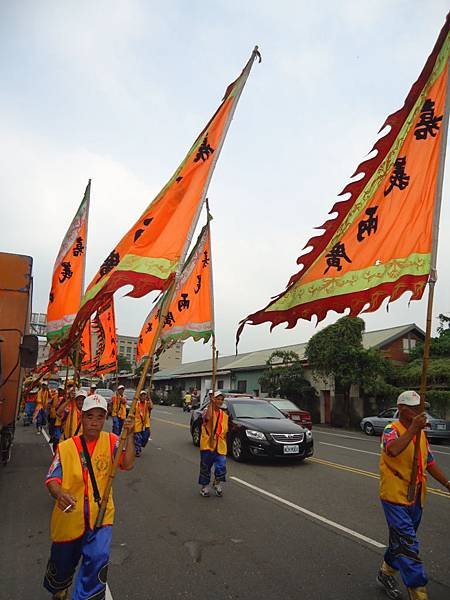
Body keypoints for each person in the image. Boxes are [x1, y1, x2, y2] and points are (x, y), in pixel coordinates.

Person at [43, 393, 135, 600]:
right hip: (70, 516)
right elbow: (52, 479)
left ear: (105, 419)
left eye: (100, 417)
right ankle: (61, 588)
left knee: (97, 560)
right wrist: (59, 493)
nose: (94, 422)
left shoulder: (112, 441)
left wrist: (129, 435)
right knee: (63, 562)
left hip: (101, 516)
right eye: (90, 416)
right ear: (82, 417)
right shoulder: (66, 448)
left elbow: (127, 463)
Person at [377, 390, 450, 600]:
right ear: (401, 409)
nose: (421, 413)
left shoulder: (421, 434)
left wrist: (447, 483)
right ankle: (418, 592)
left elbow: (429, 462)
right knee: (408, 544)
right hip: (394, 497)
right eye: (416, 409)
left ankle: (386, 572)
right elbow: (392, 450)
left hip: (416, 497)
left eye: (423, 409)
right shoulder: (392, 430)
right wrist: (413, 430)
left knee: (401, 540)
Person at [199, 391, 228, 497]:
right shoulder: (207, 411)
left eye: (221, 399)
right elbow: (208, 418)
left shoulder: (224, 415)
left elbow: (224, 431)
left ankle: (216, 483)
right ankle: (204, 487)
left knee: (221, 466)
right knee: (206, 467)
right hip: (207, 445)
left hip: (220, 446)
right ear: (213, 399)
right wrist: (211, 404)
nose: (219, 401)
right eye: (217, 399)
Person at [134, 389, 153, 457]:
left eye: (144, 396)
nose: (143, 397)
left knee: (145, 437)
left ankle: (139, 445)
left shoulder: (147, 403)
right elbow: (133, 412)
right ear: (140, 396)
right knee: (138, 438)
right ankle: (137, 450)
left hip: (145, 424)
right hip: (137, 424)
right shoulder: (136, 404)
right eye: (142, 395)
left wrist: (149, 398)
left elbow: (151, 407)